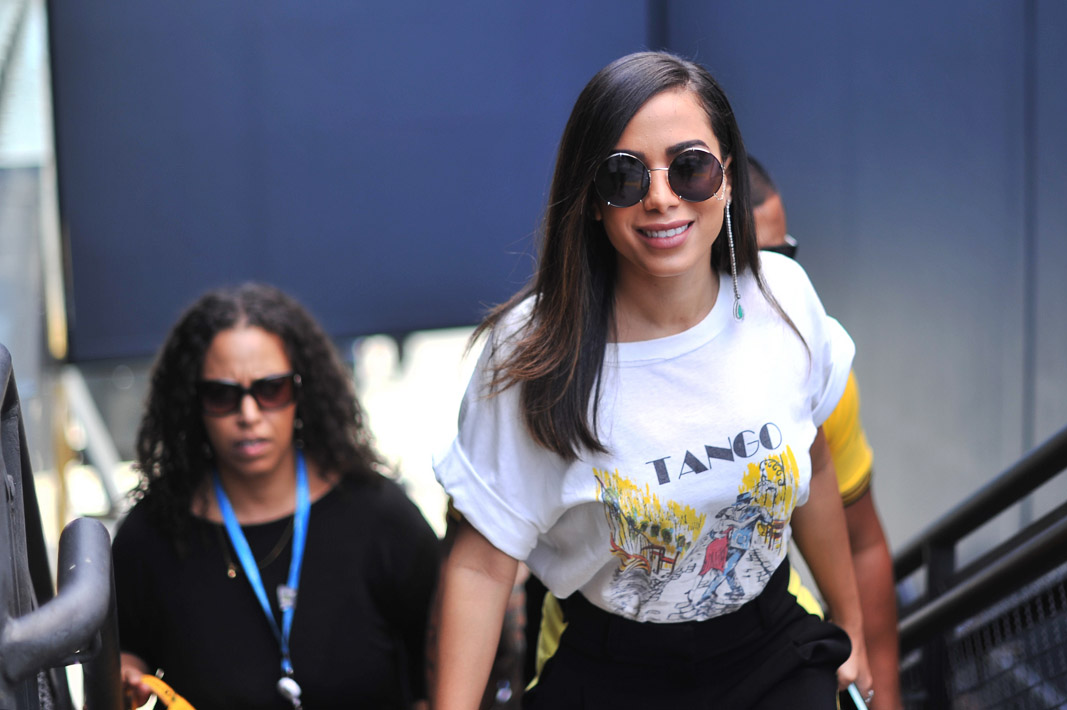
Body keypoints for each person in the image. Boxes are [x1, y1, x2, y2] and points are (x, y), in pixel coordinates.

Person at [432, 51, 872, 709]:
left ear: (726, 179)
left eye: (690, 168)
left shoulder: (782, 297)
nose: (661, 198)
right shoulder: (534, 349)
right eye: (623, 175)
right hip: (613, 671)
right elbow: (480, 563)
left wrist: (850, 622)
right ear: (590, 198)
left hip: (768, 652)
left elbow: (815, 460)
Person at [112, 282, 440, 710]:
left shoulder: (381, 516)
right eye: (222, 395)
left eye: (271, 390)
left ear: (302, 392)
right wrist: (123, 680)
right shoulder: (150, 533)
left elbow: (442, 659)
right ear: (192, 403)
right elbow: (120, 658)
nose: (248, 415)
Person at [749, 154, 902, 709]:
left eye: (784, 257)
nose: (775, 282)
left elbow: (863, 543)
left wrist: (883, 699)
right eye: (751, 262)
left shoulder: (812, 366)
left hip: (764, 657)